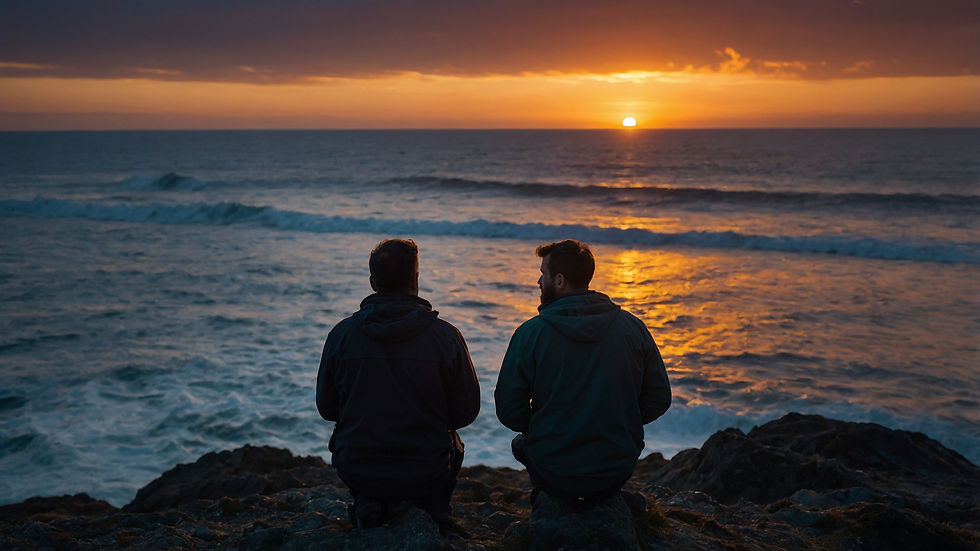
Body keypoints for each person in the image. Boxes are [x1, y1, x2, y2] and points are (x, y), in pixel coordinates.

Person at [316, 238, 480, 532]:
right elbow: (466, 412)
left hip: (358, 467)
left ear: (372, 282)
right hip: (428, 469)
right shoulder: (446, 337)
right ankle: (433, 505)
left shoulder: (341, 335)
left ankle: (369, 499)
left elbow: (327, 409)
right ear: (415, 279)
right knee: (451, 440)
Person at [495, 239, 671, 503]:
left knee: (521, 444)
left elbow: (509, 410)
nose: (538, 281)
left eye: (543, 273)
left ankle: (548, 504)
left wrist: (545, 427)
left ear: (560, 280)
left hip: (554, 469)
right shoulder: (633, 328)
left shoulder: (530, 334)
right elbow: (659, 398)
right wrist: (619, 421)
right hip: (616, 468)